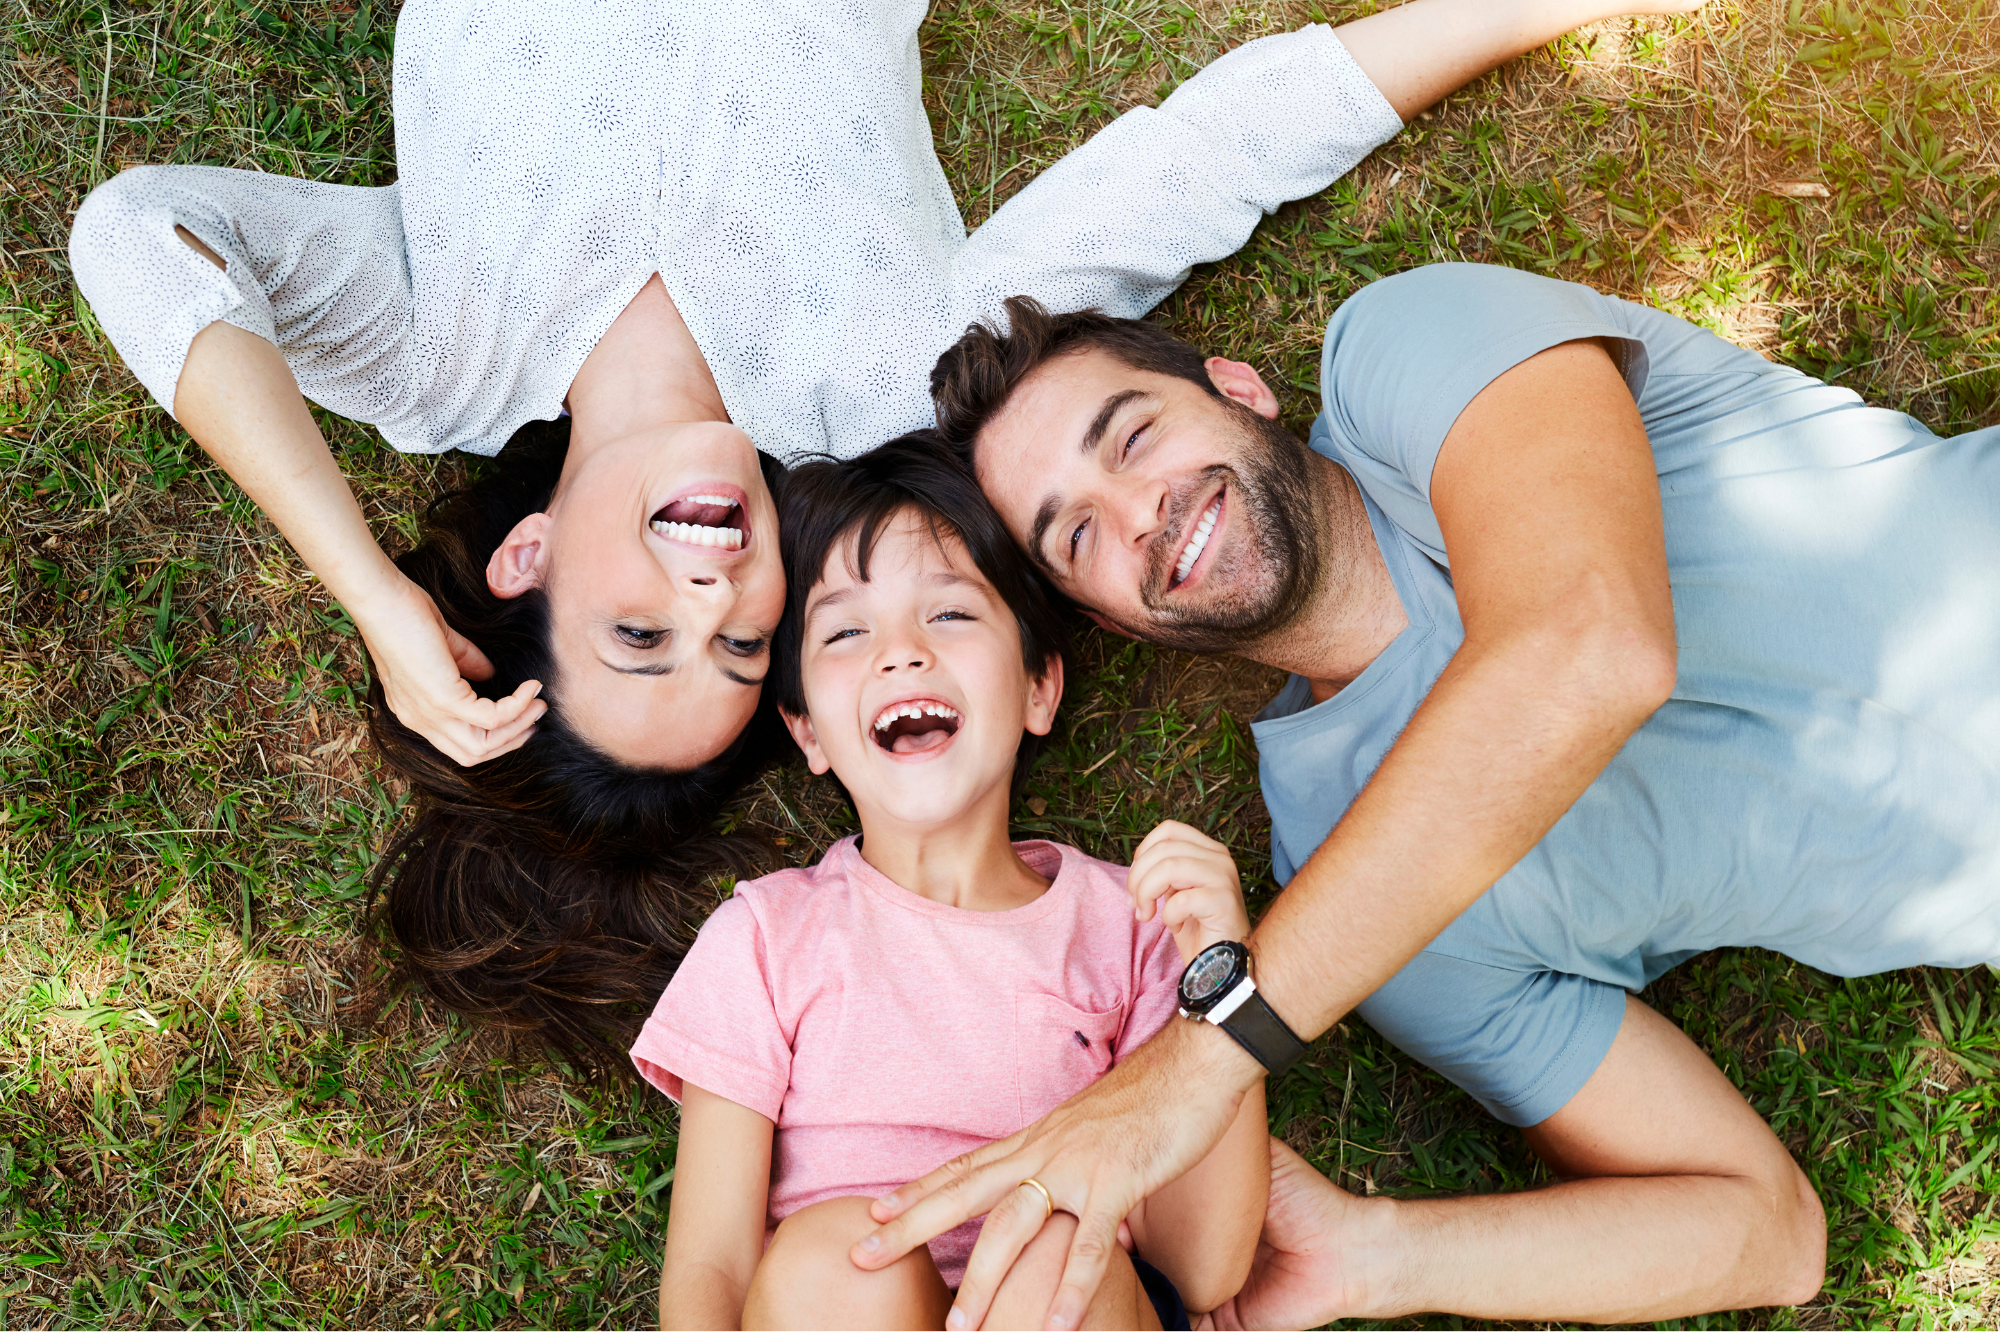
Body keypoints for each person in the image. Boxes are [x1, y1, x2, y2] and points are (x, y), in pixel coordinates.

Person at [66, 0, 1656, 1062]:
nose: (714, 576)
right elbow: (1195, 167)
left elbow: (139, 235)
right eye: (745, 637)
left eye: (642, 628)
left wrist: (366, 593)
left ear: (526, 560)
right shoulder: (884, 378)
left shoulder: (430, 353)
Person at [843, 261, 2000, 1327]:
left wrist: (1198, 1065)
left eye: (1132, 434)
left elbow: (1593, 644)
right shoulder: (1364, 923)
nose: (1140, 512)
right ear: (1107, 621)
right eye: (1077, 533)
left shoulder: (1408, 350)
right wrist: (1370, 1254)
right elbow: (1763, 1232)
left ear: (1238, 387)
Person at [633, 437, 1268, 1328]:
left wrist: (1224, 977)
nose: (900, 653)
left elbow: (1201, 1265)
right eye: (848, 631)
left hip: (1068, 1306)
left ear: (1039, 686)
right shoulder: (766, 937)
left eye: (951, 615)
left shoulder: (1138, 925)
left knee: (1047, 1254)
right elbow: (711, 1266)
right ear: (809, 731)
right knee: (834, 1258)